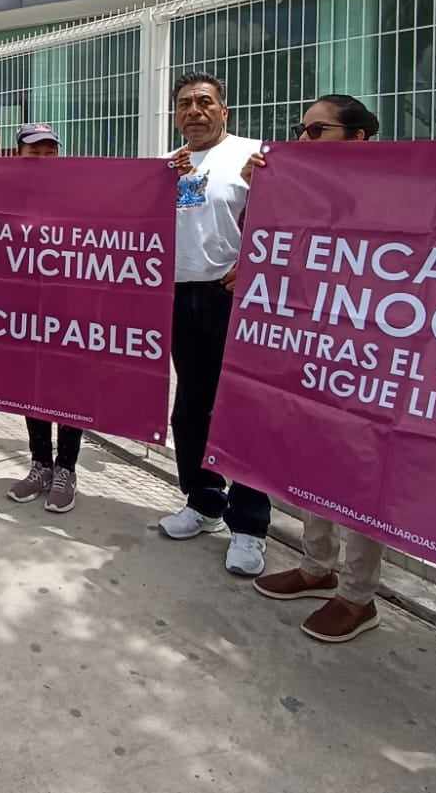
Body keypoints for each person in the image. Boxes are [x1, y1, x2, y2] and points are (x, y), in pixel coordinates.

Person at [247, 95, 386, 642]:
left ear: (358, 140)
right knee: (313, 459)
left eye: (317, 131)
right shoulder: (298, 187)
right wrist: (261, 188)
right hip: (311, 346)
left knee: (359, 474)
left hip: (369, 354)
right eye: (299, 131)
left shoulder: (398, 192)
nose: (303, 141)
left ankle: (358, 595)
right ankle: (316, 565)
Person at [160, 72, 270, 576]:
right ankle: (203, 502)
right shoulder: (169, 164)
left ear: (224, 110)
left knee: (242, 410)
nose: (194, 111)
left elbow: (284, 220)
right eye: (185, 104)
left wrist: (253, 262)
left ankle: (248, 527)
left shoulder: (254, 156)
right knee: (192, 408)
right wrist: (163, 186)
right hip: (181, 297)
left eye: (205, 102)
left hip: (236, 299)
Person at [2, 123, 84, 511]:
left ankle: (67, 468)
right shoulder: (2, 191)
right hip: (21, 304)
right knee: (30, 383)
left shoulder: (77, 191)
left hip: (68, 303)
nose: (43, 157)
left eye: (50, 149)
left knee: (68, 384)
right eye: (35, 150)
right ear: (18, 153)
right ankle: (40, 465)